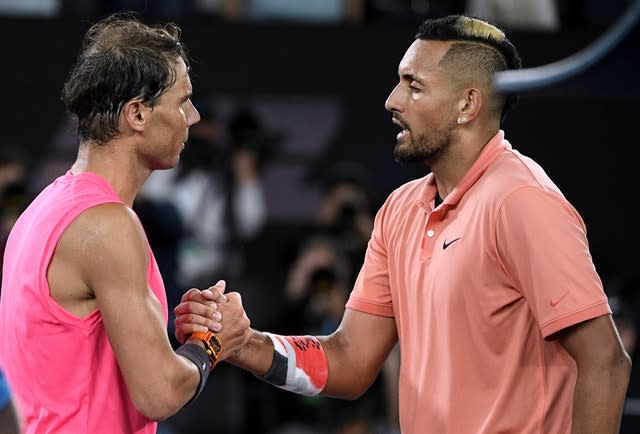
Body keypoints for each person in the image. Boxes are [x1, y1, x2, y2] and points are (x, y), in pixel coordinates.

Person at [177, 14, 631, 433]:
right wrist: (245, 343)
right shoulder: (400, 209)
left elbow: (606, 362)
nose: (392, 101)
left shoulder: (522, 201)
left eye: (413, 86)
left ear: (467, 104)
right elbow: (351, 361)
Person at [0, 13, 251, 434]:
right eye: (181, 101)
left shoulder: (43, 209)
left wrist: (181, 339)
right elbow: (160, 393)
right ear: (137, 114)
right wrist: (212, 343)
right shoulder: (107, 225)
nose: (192, 118)